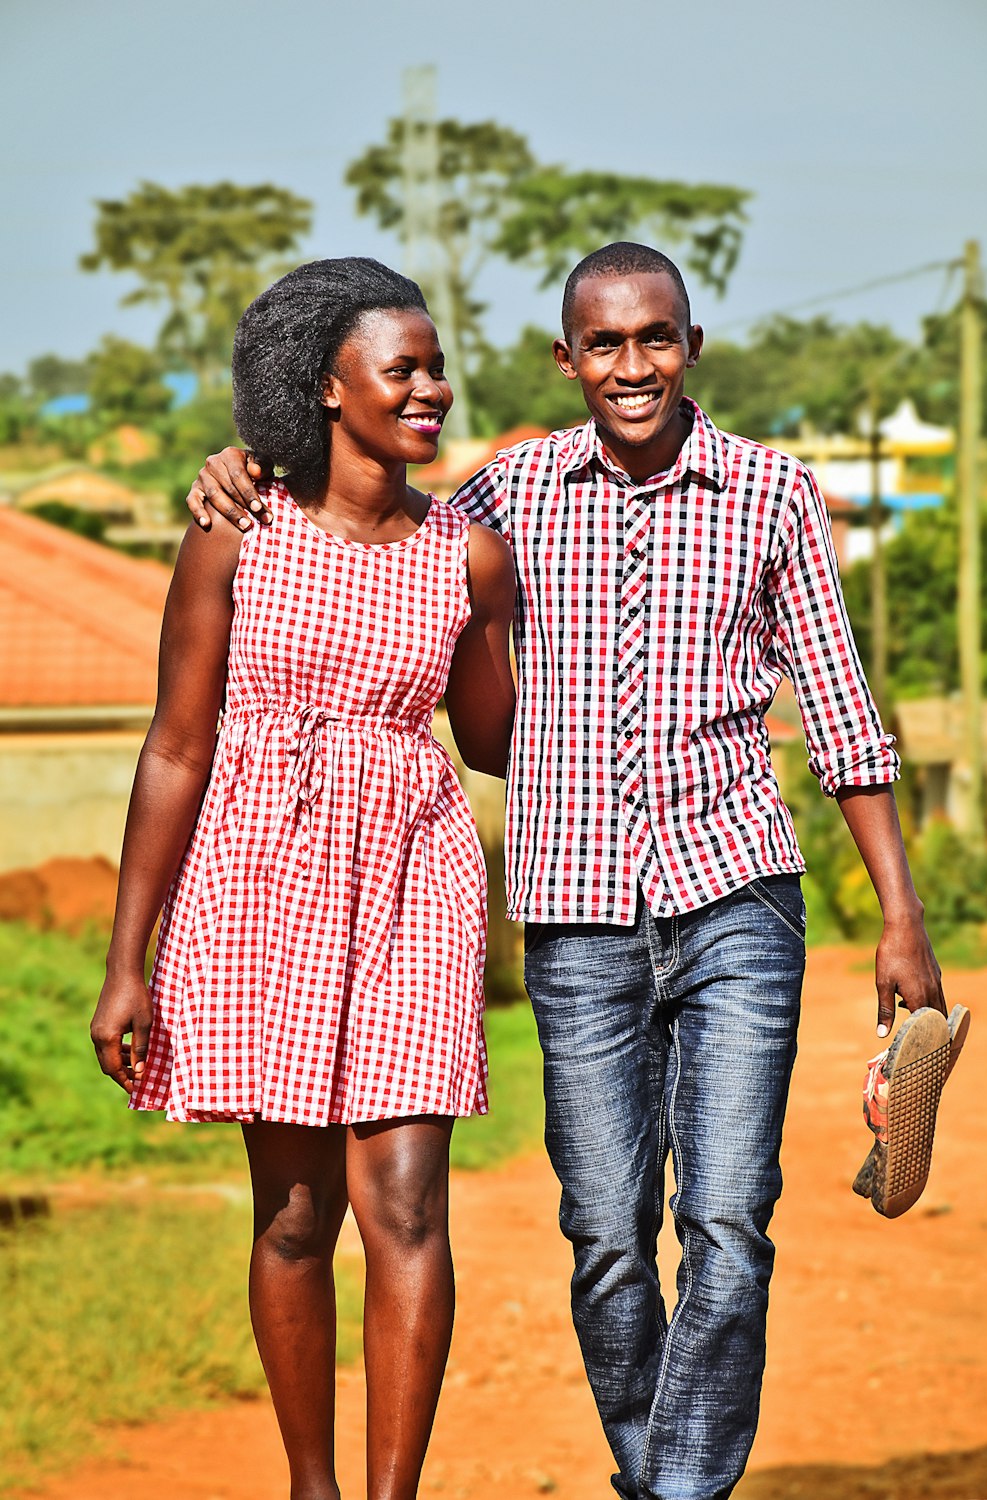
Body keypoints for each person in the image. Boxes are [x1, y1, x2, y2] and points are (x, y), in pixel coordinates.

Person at [186, 243, 946, 1500]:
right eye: (605, 344)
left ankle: (679, 1488)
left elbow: (845, 712)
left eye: (656, 338)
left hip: (737, 897)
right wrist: (250, 464)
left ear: (691, 345)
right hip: (577, 919)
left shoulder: (773, 494)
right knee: (604, 1238)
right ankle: (655, 1471)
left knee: (726, 1225)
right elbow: (368, 509)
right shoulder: (508, 494)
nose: (632, 365)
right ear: (566, 359)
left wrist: (900, 915)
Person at [91, 256, 516, 1500]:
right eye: (404, 368)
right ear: (327, 389)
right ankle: (310, 1489)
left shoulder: (468, 557)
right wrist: (130, 960)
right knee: (291, 1214)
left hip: (412, 869)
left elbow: (489, 738)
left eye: (437, 366)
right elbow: (175, 745)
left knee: (408, 1203)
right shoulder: (235, 533)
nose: (431, 387)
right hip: (257, 869)